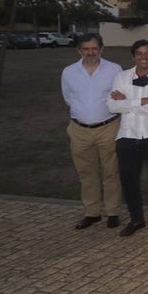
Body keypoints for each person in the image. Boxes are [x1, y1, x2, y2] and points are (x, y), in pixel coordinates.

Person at [108, 39, 148, 236]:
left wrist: (127, 102)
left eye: (147, 53)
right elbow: (111, 106)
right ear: (133, 56)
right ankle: (136, 219)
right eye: (139, 53)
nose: (143, 57)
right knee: (128, 179)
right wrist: (140, 101)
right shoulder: (121, 77)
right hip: (128, 134)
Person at [62, 33, 123, 230]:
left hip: (108, 127)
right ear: (79, 50)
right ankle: (92, 213)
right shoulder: (69, 72)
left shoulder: (114, 70)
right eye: (86, 49)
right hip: (79, 130)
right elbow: (69, 98)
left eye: (94, 48)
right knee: (86, 173)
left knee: (111, 173)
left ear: (101, 49)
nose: (90, 52)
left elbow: (120, 97)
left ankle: (113, 212)